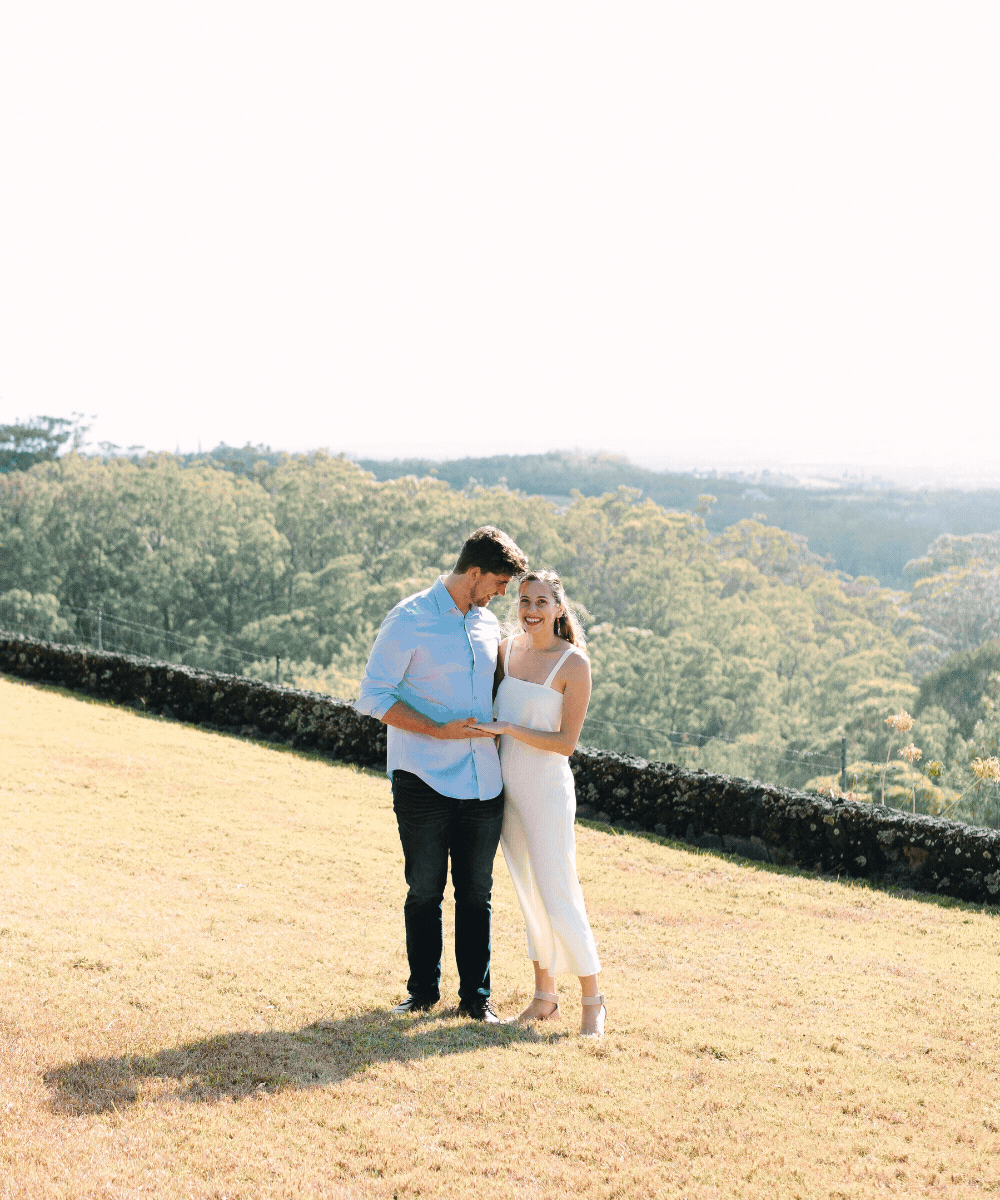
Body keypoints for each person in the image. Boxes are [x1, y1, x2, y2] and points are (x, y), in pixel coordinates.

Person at [355, 526, 529, 1022]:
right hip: (423, 780)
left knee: (477, 895)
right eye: (497, 583)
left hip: (483, 783)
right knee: (426, 890)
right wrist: (436, 730)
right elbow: (374, 696)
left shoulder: (486, 625)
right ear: (473, 572)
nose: (501, 594)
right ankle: (422, 993)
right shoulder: (408, 619)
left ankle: (476, 1001)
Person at [477, 569, 606, 1038]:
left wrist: (507, 727)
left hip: (547, 794)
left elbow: (565, 743)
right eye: (525, 600)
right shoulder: (507, 651)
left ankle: (593, 1001)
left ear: (558, 608)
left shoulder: (574, 665)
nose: (531, 610)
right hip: (506, 792)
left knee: (558, 892)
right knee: (527, 892)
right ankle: (544, 997)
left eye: (542, 601)